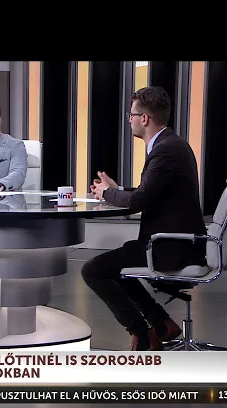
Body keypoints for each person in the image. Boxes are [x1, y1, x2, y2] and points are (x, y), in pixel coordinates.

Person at [83, 86, 207, 351]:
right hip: (177, 242)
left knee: (93, 270)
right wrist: (116, 190)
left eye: (131, 115)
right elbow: (150, 192)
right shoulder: (170, 144)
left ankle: (143, 333)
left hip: (171, 247)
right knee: (115, 265)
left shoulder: (165, 150)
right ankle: (161, 324)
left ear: (144, 118)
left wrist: (108, 193)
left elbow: (138, 202)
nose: (129, 120)